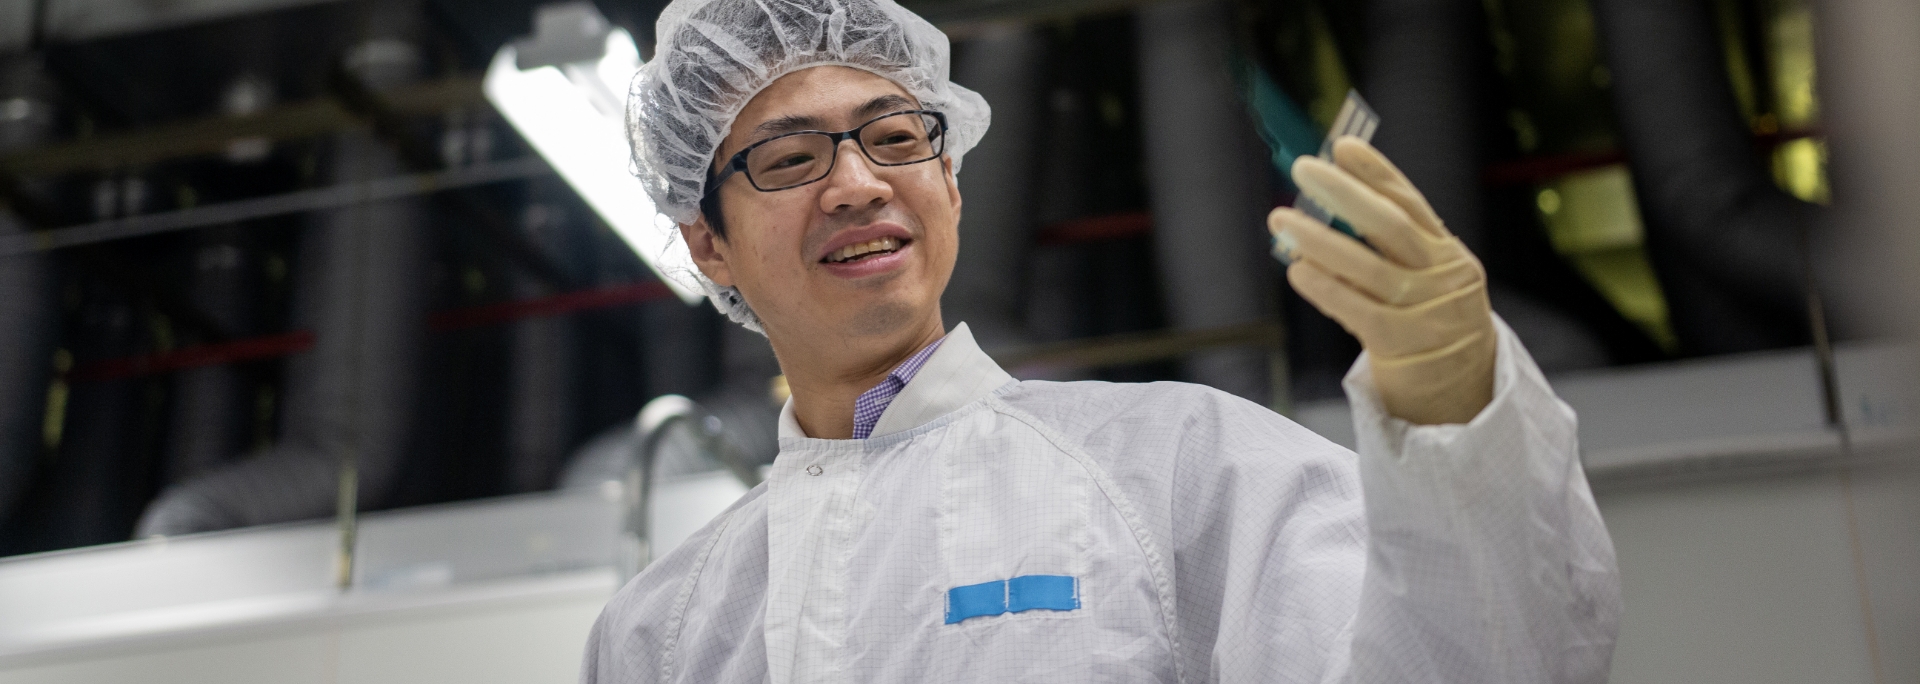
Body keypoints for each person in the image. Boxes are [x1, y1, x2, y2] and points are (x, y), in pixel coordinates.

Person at [582, 0, 1620, 681]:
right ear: (707, 243)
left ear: (948, 181)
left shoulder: (1184, 468)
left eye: (897, 138)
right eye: (791, 157)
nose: (860, 183)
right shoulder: (666, 632)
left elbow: (1470, 661)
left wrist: (1456, 422)